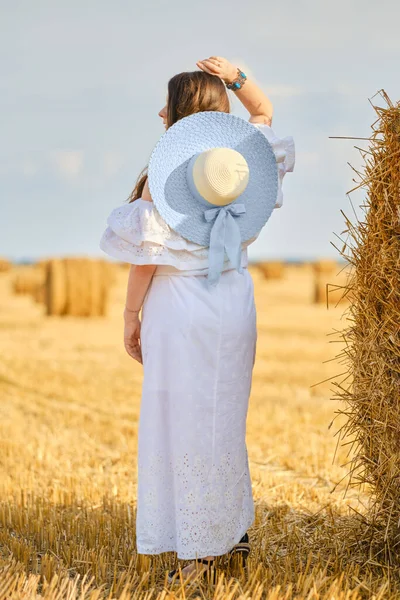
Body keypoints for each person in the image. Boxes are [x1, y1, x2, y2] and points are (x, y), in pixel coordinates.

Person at [100, 56, 295, 585]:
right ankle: (227, 534)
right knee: (222, 422)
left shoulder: (165, 183)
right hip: (233, 305)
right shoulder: (240, 167)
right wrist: (236, 76)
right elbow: (265, 110)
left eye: (169, 102)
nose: (159, 110)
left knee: (181, 427)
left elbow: (147, 260)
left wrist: (129, 315)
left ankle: (196, 558)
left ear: (183, 113)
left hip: (181, 309)